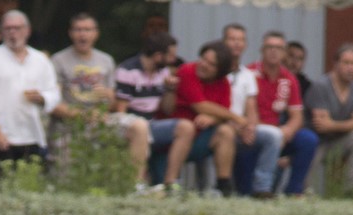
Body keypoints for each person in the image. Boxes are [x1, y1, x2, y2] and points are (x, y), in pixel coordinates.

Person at [50, 13, 150, 188]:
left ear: (96, 33)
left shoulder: (106, 60)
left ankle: (136, 186)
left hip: (102, 120)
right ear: (70, 33)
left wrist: (108, 95)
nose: (83, 34)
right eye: (78, 30)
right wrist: (84, 115)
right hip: (70, 123)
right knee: (66, 184)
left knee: (139, 126)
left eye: (87, 30)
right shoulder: (58, 60)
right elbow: (53, 105)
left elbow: (114, 104)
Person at [115, 31, 193, 192]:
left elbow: (167, 110)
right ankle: (136, 185)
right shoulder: (128, 70)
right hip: (131, 125)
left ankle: (170, 183)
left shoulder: (163, 72)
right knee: (140, 127)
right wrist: (138, 132)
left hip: (151, 123)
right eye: (171, 56)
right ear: (158, 56)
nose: (173, 60)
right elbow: (120, 111)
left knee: (186, 127)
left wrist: (170, 89)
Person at [0, 11, 58, 165]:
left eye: (17, 28)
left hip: (33, 134)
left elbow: (53, 92)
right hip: (3, 135)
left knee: (32, 178)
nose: (13, 32)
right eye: (8, 28)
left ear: (27, 31)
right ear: (1, 32)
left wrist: (42, 98)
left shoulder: (40, 60)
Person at [246, 31, 317, 196]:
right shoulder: (249, 73)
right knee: (245, 190)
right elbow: (244, 110)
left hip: (278, 131)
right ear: (262, 50)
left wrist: (288, 130)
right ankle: (260, 191)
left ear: (284, 53)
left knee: (308, 139)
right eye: (269, 47)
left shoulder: (289, 78)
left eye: (278, 48)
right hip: (253, 131)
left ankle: (294, 192)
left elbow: (297, 116)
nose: (273, 51)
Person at [170, 41, 240, 197]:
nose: (203, 65)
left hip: (199, 138)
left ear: (220, 71)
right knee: (186, 128)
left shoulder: (223, 82)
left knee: (226, 132)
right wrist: (238, 118)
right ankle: (171, 184)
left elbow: (223, 113)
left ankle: (224, 186)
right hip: (174, 138)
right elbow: (200, 106)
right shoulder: (187, 71)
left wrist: (213, 119)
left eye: (211, 64)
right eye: (203, 59)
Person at [221, 23, 281, 199]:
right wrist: (237, 126)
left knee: (273, 135)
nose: (236, 43)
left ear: (246, 44)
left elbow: (251, 108)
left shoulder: (248, 75)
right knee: (225, 133)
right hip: (221, 126)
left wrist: (250, 128)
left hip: (241, 127)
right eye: (232, 39)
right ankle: (220, 188)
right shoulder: (216, 71)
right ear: (223, 42)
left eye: (240, 40)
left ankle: (262, 188)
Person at [305, 43, 353, 192]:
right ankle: (307, 195)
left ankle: (352, 191)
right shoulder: (321, 85)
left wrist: (333, 125)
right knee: (309, 184)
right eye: (346, 63)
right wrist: (348, 124)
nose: (351, 68)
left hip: (340, 140)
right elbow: (322, 125)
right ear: (335, 64)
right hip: (318, 142)